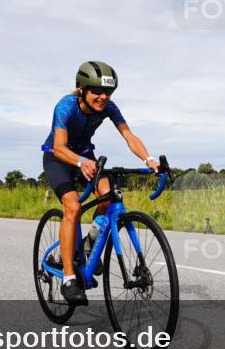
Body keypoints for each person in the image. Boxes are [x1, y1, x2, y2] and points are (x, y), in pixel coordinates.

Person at [42, 61, 159, 305]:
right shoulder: (65, 106)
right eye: (97, 91)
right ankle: (69, 278)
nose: (103, 97)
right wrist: (80, 161)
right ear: (81, 88)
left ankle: (88, 245)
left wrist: (148, 159)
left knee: (108, 195)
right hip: (59, 158)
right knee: (72, 207)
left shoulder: (109, 107)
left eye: (108, 92)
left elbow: (128, 135)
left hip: (86, 155)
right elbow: (60, 147)